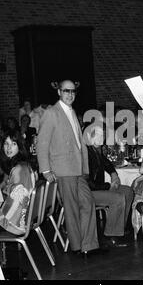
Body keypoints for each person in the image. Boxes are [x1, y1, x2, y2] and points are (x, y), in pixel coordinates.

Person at [37, 79, 100, 256]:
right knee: (71, 209)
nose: (70, 94)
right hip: (63, 169)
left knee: (88, 203)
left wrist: (84, 168)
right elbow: (42, 143)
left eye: (73, 91)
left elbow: (78, 144)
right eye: (66, 91)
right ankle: (78, 247)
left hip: (78, 169)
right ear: (59, 92)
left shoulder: (71, 112)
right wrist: (46, 170)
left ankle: (89, 245)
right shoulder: (52, 113)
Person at [86, 126, 134, 247]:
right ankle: (111, 235)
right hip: (89, 192)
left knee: (128, 191)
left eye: (102, 135)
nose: (101, 137)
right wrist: (108, 186)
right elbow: (88, 183)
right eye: (98, 135)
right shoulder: (85, 153)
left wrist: (114, 174)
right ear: (90, 137)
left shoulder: (96, 151)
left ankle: (120, 228)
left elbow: (107, 163)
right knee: (117, 198)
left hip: (100, 189)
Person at [0, 131, 35, 235]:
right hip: (24, 219)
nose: (8, 148)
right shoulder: (23, 165)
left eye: (13, 144)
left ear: (20, 146)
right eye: (6, 143)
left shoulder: (19, 169)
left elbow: (17, 202)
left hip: (15, 224)